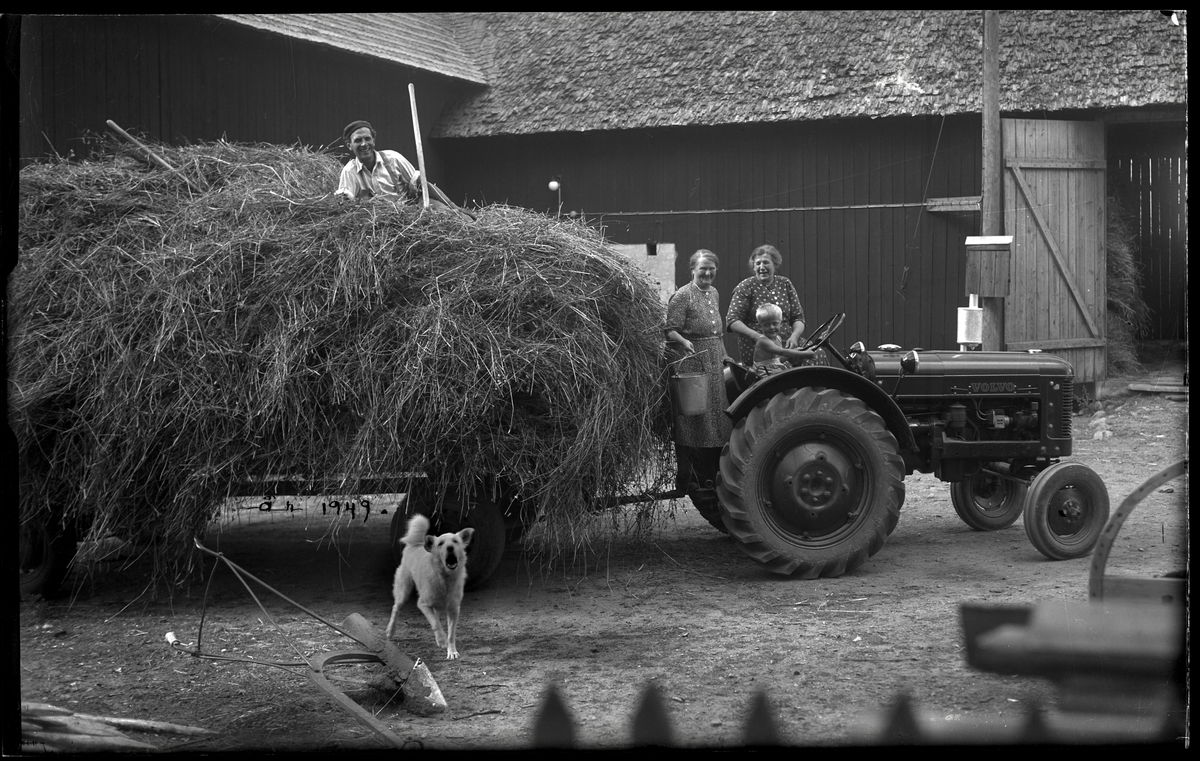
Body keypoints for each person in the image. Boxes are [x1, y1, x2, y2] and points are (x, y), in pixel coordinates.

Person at [665, 250, 733, 505]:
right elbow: (670, 330)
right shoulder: (683, 295)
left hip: (714, 357)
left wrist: (725, 356)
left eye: (711, 269)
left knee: (716, 411)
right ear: (692, 269)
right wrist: (685, 342)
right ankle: (694, 470)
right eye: (703, 268)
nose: (707, 273)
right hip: (692, 359)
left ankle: (715, 463)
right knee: (697, 414)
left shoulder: (713, 293)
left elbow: (718, 334)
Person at [725, 244, 814, 366]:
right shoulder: (746, 287)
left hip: (788, 344)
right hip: (761, 350)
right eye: (758, 263)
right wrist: (758, 337)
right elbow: (732, 321)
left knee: (817, 353)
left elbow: (798, 317)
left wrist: (794, 336)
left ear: (775, 264)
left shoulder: (785, 283)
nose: (762, 267)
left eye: (766, 263)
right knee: (787, 366)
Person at [335, 120, 422, 202]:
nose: (364, 144)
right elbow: (345, 203)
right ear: (349, 145)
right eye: (358, 140)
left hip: (406, 213)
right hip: (371, 217)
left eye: (367, 139)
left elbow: (418, 183)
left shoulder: (394, 159)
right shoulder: (349, 172)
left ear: (373, 141)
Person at [751, 303, 815, 375]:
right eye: (766, 325)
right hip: (764, 374)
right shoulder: (763, 341)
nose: (771, 327)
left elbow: (778, 360)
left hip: (774, 370)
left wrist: (795, 351)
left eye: (775, 324)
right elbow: (782, 352)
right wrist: (804, 354)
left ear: (780, 323)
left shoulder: (778, 338)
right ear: (760, 326)